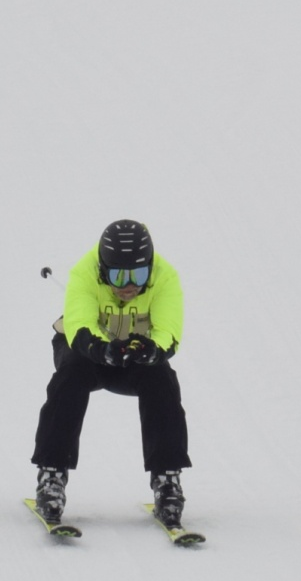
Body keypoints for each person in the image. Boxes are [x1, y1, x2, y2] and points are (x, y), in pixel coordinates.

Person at [31, 219, 190, 526]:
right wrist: (101, 349)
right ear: (103, 269)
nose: (129, 285)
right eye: (118, 275)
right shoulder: (84, 272)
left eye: (139, 274)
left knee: (162, 381)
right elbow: (79, 325)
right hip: (87, 350)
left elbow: (169, 330)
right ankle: (51, 475)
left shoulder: (165, 276)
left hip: (135, 351)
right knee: (69, 377)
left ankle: (167, 480)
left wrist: (152, 350)